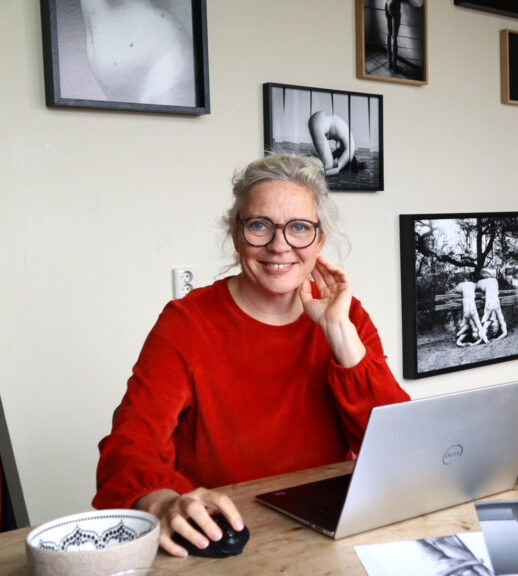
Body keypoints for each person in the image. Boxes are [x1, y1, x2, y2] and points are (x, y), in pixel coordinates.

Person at [92, 154, 410, 557]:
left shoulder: (347, 316)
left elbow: (397, 452)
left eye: (299, 228)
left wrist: (338, 333)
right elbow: (130, 443)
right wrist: (162, 502)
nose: (280, 246)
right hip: (219, 539)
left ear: (320, 241)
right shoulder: (186, 323)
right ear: (236, 233)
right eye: (260, 225)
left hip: (325, 531)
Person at [307, 110, 356, 176]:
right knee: (329, 166)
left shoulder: (348, 141)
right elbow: (336, 170)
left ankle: (302, 161)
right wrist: (323, 173)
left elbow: (331, 155)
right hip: (319, 125)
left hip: (317, 118)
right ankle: (304, 168)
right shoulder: (350, 151)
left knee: (324, 161)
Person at [453, 280, 486, 347]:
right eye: (476, 335)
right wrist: (474, 343)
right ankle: (484, 340)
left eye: (474, 335)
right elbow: (481, 333)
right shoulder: (472, 284)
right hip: (471, 310)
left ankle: (458, 338)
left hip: (467, 311)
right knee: (479, 328)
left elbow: (455, 290)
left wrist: (463, 344)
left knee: (462, 328)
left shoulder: (461, 284)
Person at [477, 270, 507, 340]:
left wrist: (486, 340)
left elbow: (504, 332)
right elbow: (504, 332)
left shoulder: (494, 280)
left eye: (493, 328)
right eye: (495, 327)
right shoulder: (494, 280)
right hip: (493, 303)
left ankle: (481, 335)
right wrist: (496, 339)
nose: (494, 326)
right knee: (484, 322)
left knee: (484, 322)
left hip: (490, 304)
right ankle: (481, 335)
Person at [385, 0, 402, 71]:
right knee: (394, 36)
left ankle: (390, 63)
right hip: (395, 4)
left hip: (386, 3)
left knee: (389, 34)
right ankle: (394, 65)